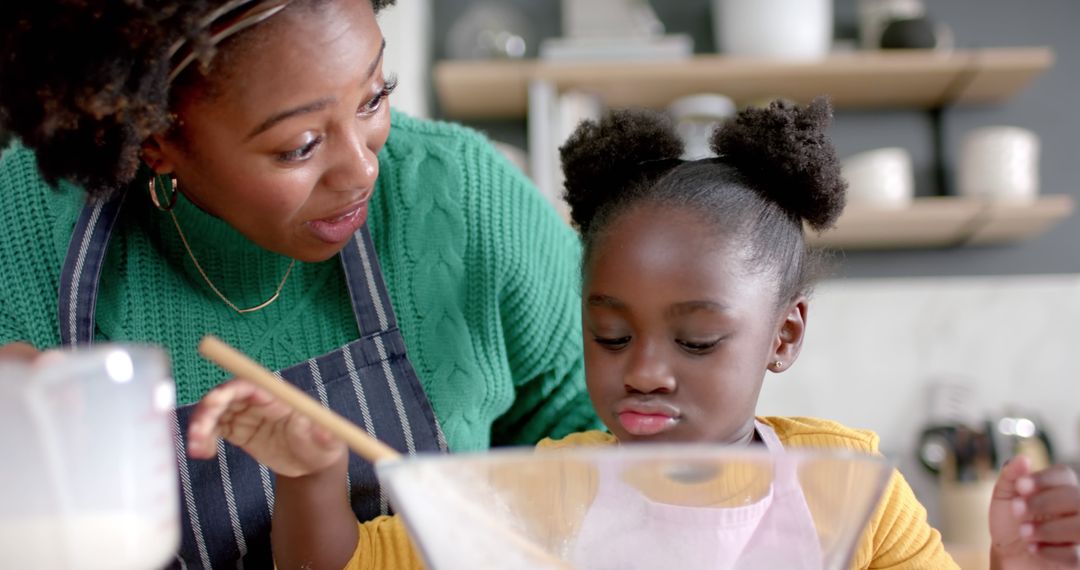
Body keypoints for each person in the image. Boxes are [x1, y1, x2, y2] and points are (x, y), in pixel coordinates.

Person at [188, 98, 1080, 569]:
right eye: (610, 337)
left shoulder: (855, 496)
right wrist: (307, 479)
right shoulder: (545, 496)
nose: (645, 372)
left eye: (695, 342)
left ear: (784, 334)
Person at [0, 0, 598, 566]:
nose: (363, 167)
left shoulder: (459, 196)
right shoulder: (22, 229)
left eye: (373, 97)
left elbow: (607, 440)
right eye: (301, 146)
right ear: (155, 140)